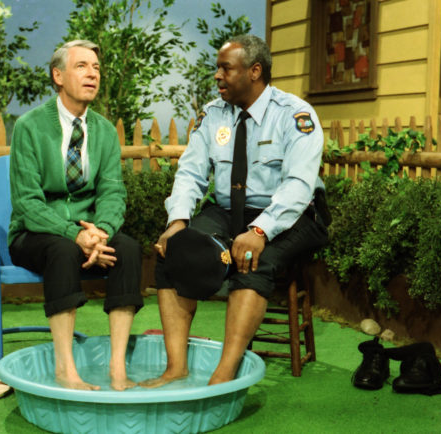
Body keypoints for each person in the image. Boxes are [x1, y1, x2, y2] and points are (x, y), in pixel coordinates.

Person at [141, 35, 329, 388]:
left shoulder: (295, 115)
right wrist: (177, 222)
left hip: (293, 213)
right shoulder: (213, 116)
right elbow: (191, 173)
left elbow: (298, 187)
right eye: (218, 68)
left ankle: (223, 375)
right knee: (172, 252)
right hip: (229, 209)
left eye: (225, 68)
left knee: (252, 260)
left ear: (254, 71)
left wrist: (260, 232)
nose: (217, 76)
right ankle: (175, 368)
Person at [8, 40, 143, 391]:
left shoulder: (104, 130)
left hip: (89, 231)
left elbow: (113, 190)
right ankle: (65, 370)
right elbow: (26, 203)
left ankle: (117, 368)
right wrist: (75, 235)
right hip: (34, 233)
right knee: (63, 250)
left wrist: (101, 232)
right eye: (82, 66)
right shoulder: (29, 127)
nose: (92, 74)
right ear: (58, 75)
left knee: (126, 249)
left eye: (96, 68)